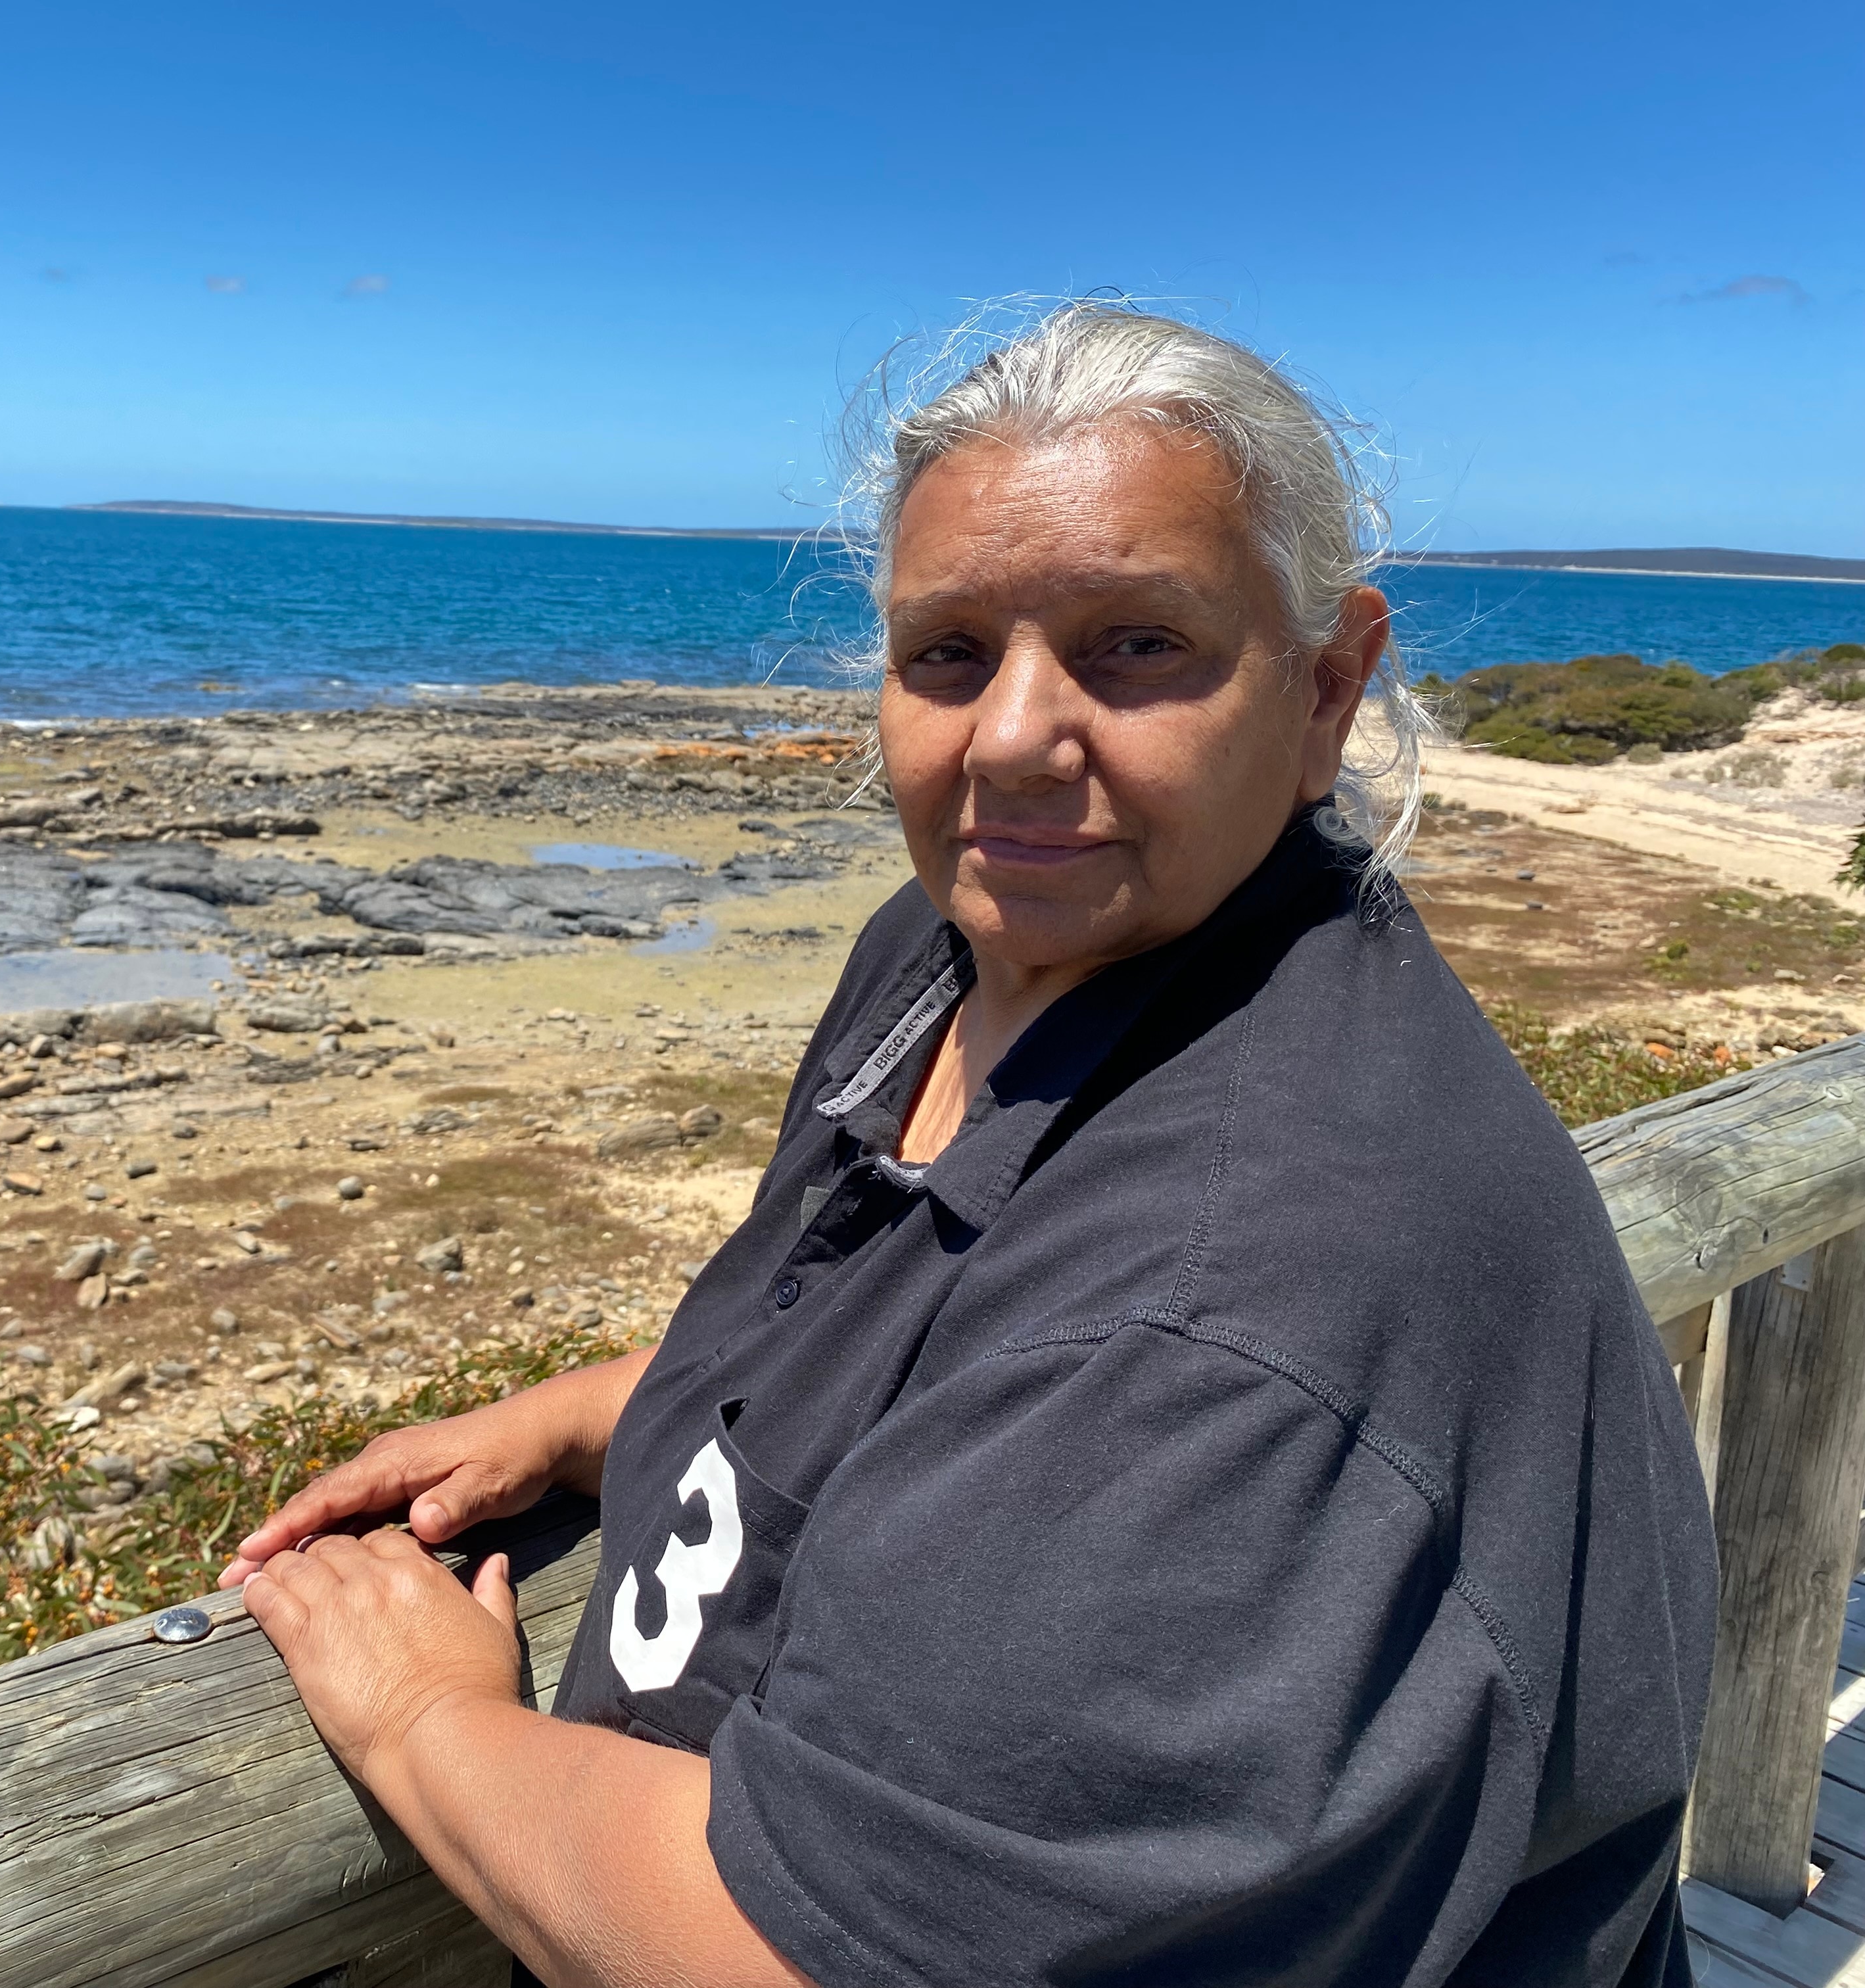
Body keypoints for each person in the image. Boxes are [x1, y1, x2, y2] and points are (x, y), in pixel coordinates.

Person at [218, 303, 1717, 1987]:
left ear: (1325, 690)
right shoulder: (955, 958)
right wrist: (588, 1416)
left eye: (1135, 644)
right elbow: (912, 1342)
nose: (1010, 737)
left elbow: (789, 1961)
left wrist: (425, 1723)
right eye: (947, 654)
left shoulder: (1238, 1302)